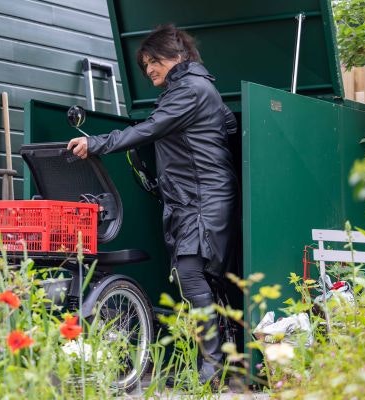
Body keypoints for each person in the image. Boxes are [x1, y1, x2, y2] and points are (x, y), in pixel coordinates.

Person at [67, 24, 238, 385]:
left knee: (193, 273)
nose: (149, 70)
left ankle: (213, 365)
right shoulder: (199, 88)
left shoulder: (190, 90)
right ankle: (222, 359)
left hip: (201, 198)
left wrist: (96, 143)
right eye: (145, 64)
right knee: (205, 276)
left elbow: (149, 128)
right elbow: (227, 125)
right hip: (195, 195)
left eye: (153, 61)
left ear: (177, 56)